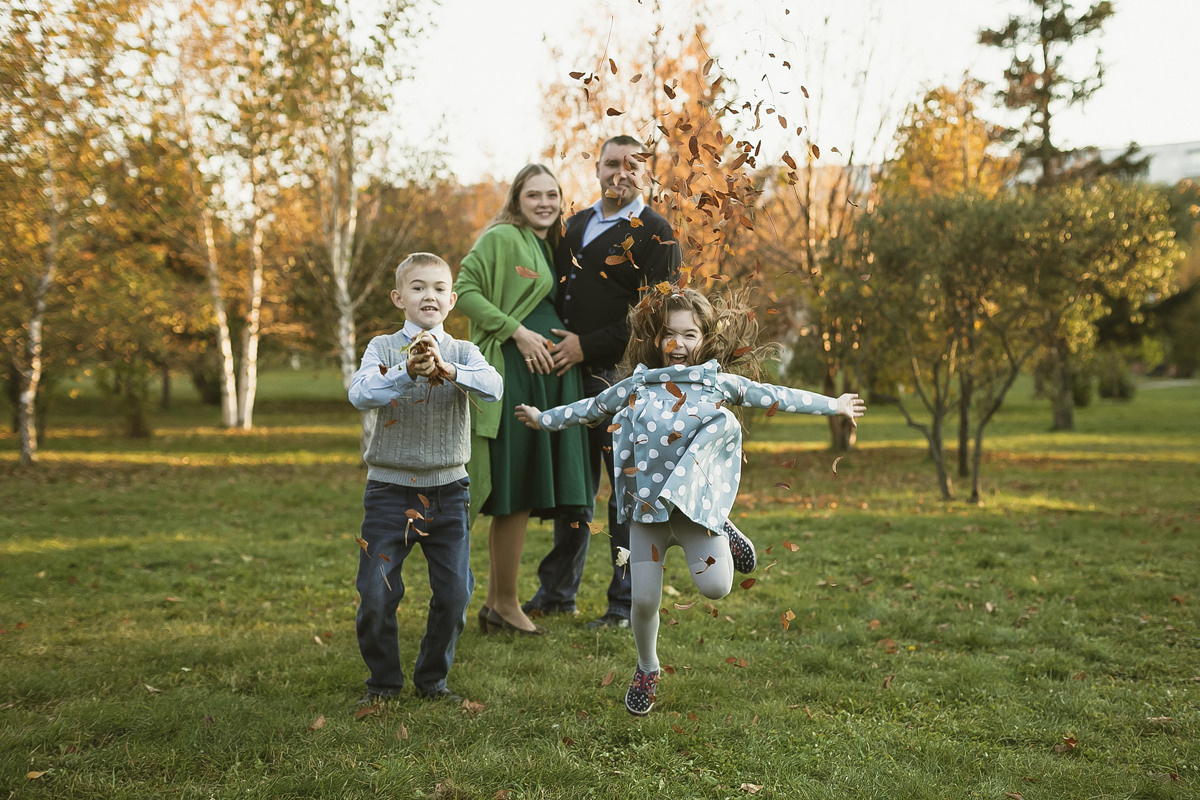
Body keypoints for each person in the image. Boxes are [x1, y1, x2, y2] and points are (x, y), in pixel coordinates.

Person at [516, 287, 866, 715]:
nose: (677, 344)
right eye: (669, 334)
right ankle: (647, 667)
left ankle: (722, 524)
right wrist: (543, 418)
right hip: (648, 514)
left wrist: (835, 404)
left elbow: (777, 395)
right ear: (656, 337)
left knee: (716, 588)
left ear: (704, 338)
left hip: (696, 513)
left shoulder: (717, 383)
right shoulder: (638, 385)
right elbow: (591, 408)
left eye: (688, 334)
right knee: (643, 602)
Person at [523, 135, 682, 630]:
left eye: (633, 165)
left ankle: (622, 603)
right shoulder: (574, 226)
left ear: (647, 174)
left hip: (622, 380)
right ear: (596, 169)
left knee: (624, 494)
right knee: (575, 488)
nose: (621, 172)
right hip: (567, 377)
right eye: (612, 163)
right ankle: (557, 592)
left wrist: (584, 345)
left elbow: (651, 318)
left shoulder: (658, 234)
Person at [348, 252, 503, 704]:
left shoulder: (463, 352)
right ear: (399, 297)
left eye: (438, 288)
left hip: (448, 491)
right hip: (390, 490)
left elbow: (493, 387)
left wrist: (446, 370)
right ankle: (382, 683)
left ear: (452, 300)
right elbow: (360, 393)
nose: (428, 296)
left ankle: (433, 680)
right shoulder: (382, 347)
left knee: (455, 593)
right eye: (417, 288)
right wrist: (405, 371)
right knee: (376, 592)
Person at [454, 164, 594, 636]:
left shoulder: (549, 245)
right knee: (512, 490)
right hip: (516, 373)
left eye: (552, 195)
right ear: (516, 199)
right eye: (533, 194)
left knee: (526, 489)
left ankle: (497, 604)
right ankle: (508, 604)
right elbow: (463, 292)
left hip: (548, 377)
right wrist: (518, 333)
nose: (544, 203)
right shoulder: (500, 238)